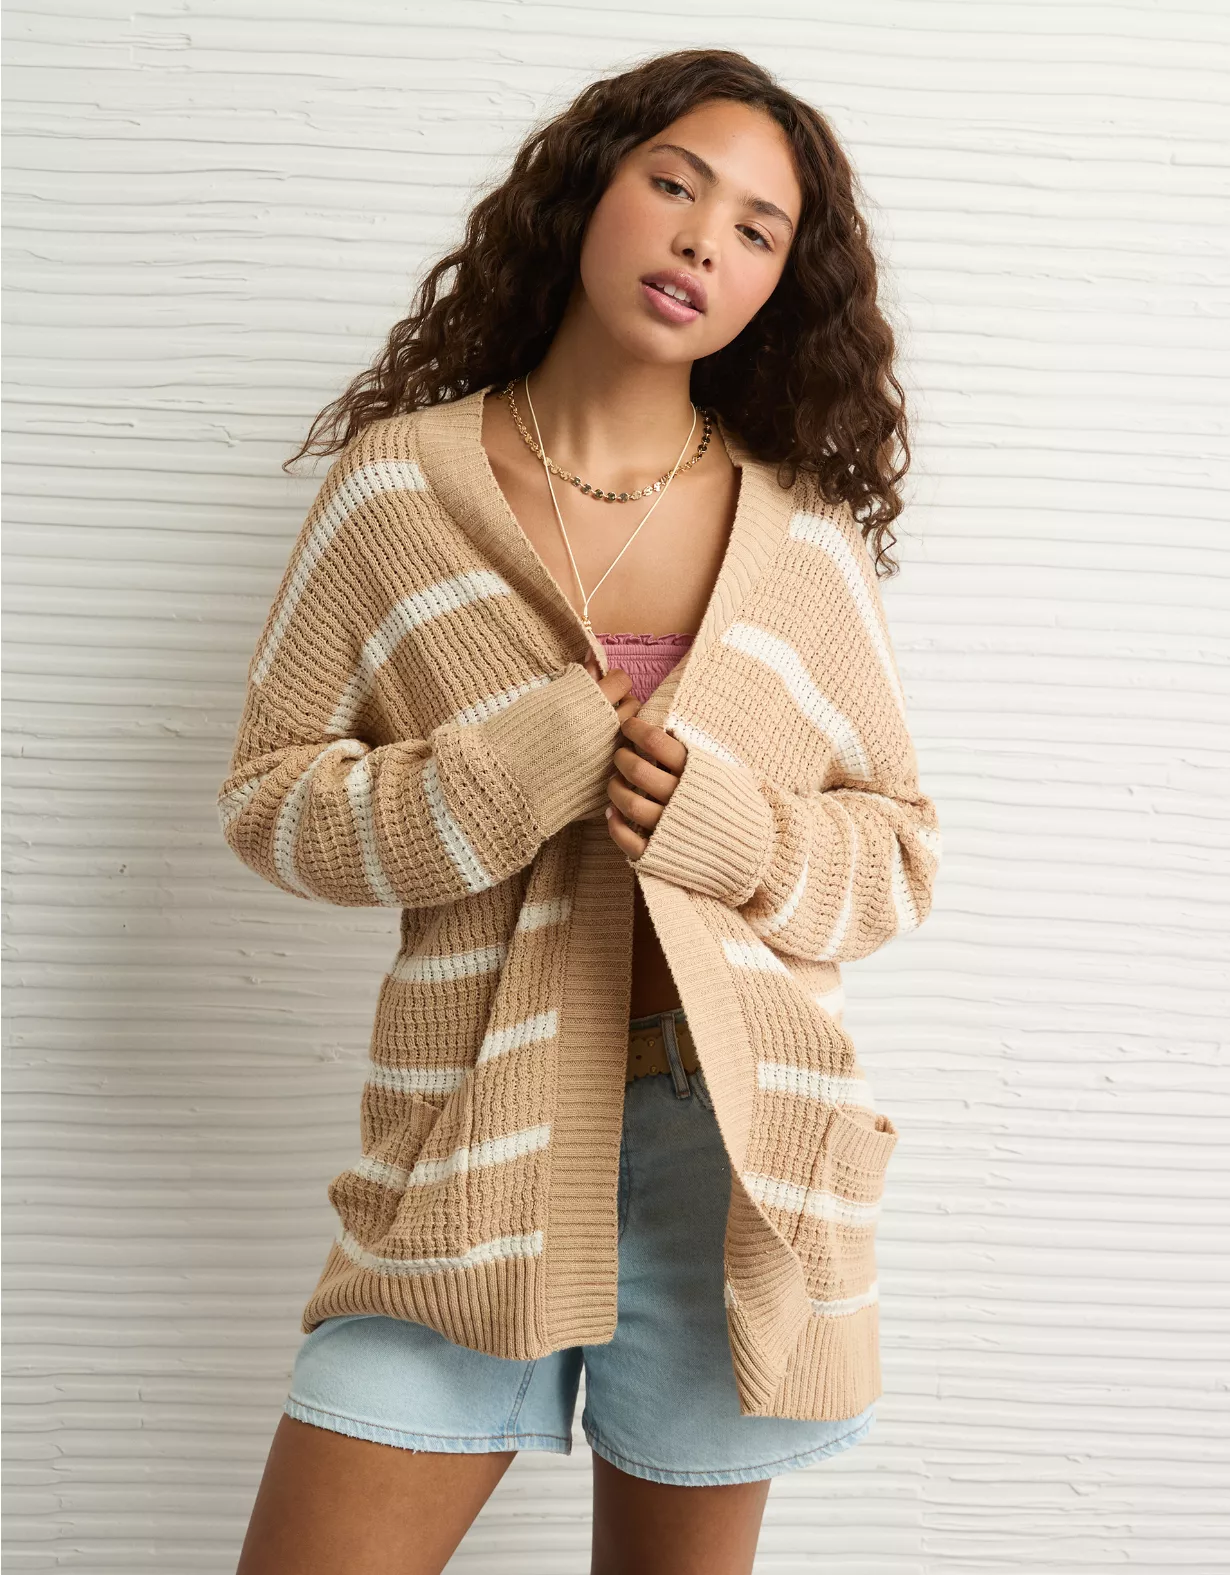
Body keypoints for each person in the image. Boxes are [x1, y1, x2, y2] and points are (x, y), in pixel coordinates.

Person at [224, 45, 937, 1575]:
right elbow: (270, 801)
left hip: (727, 1159)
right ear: (587, 189)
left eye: (755, 227)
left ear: (778, 285)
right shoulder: (398, 490)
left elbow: (895, 853)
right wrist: (496, 779)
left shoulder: (800, 538)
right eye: (673, 183)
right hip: (463, 1141)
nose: (700, 239)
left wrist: (741, 834)